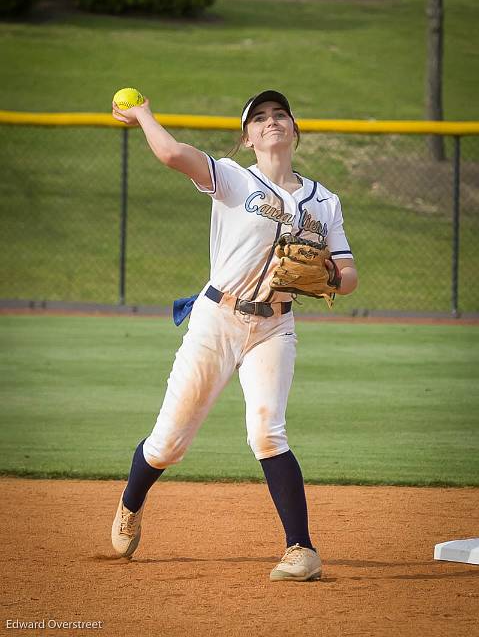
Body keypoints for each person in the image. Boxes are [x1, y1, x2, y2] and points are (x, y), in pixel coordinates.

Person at [110, 89, 358, 581]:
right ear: (247, 138)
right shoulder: (231, 176)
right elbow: (170, 154)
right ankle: (130, 503)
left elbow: (348, 274)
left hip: (275, 325)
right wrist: (142, 114)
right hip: (217, 320)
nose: (272, 122)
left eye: (280, 114)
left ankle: (301, 550)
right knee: (167, 444)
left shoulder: (323, 201)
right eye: (260, 118)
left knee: (267, 431)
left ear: (294, 130)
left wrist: (329, 277)